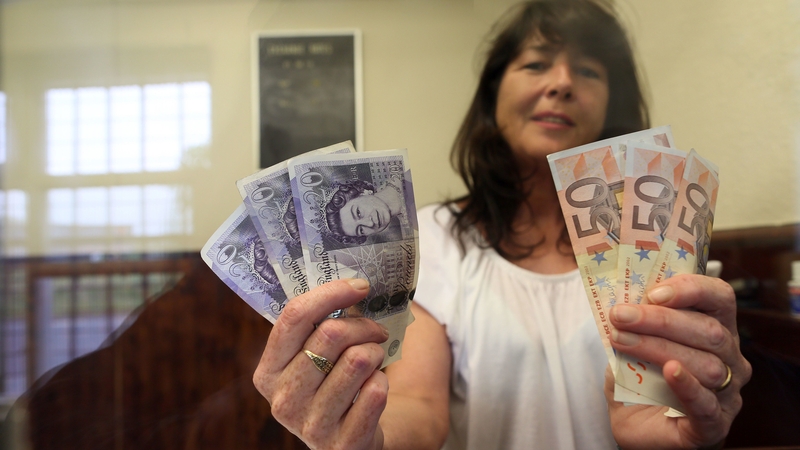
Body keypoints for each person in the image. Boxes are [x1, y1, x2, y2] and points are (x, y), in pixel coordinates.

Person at [252, 0, 751, 449]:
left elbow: (672, 399)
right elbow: (418, 406)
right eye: (535, 64)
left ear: (611, 106)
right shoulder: (438, 242)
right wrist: (368, 439)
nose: (560, 82)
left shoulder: (655, 245)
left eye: (588, 70)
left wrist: (688, 415)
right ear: (493, 96)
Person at [325, 178, 405, 244]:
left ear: (363, 192)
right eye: (361, 230)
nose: (370, 224)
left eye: (358, 213)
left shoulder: (403, 177)